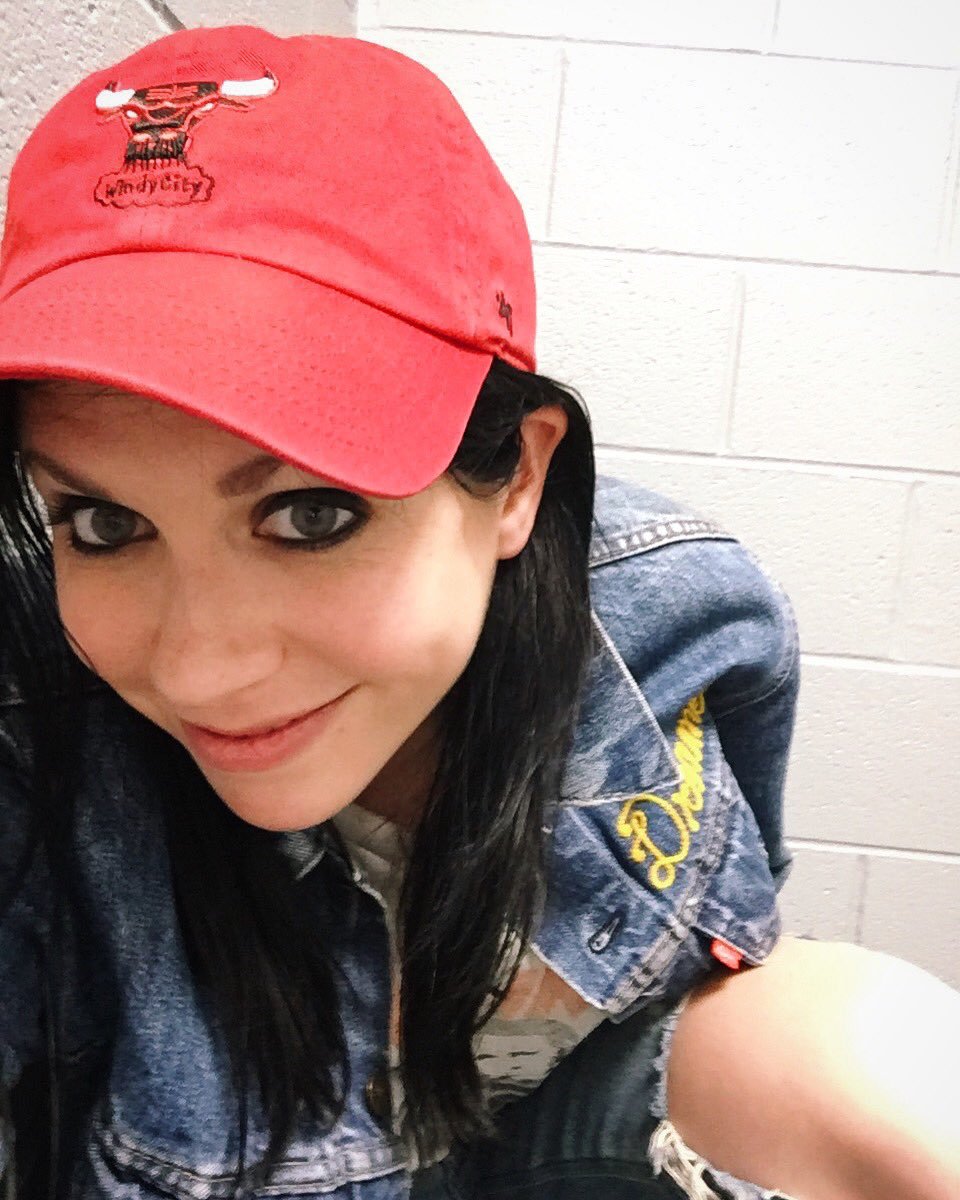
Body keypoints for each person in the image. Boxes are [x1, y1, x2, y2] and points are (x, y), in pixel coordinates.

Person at [0, 23, 956, 1200]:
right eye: (104, 524)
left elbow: (730, 968)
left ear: (516, 481)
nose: (201, 667)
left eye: (310, 515)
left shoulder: (680, 619)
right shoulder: (37, 741)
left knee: (881, 1059)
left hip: (567, 1121)